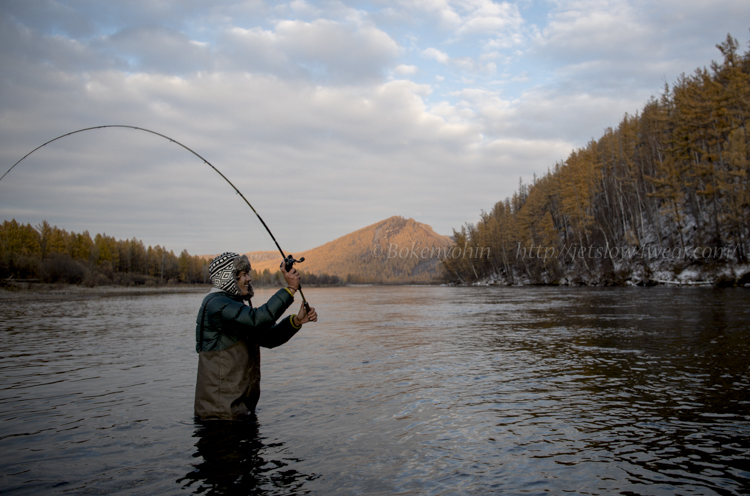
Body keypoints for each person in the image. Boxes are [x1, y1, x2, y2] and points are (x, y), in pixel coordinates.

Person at [194, 251, 317, 421]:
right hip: (219, 416)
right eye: (244, 274)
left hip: (238, 411)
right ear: (228, 278)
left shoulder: (232, 306)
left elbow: (267, 337)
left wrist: (296, 321)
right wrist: (290, 290)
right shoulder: (217, 305)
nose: (249, 278)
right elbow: (257, 320)